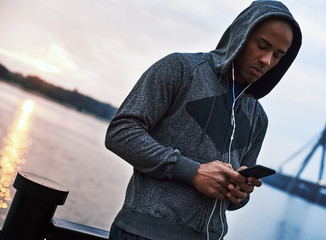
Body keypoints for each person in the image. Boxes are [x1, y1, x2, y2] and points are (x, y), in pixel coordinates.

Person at [105, 0, 302, 239]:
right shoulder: (180, 69)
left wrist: (239, 193)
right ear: (241, 34)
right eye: (262, 45)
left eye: (278, 55)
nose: (267, 60)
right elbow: (120, 132)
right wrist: (193, 171)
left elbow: (232, 203)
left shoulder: (258, 119)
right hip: (143, 234)